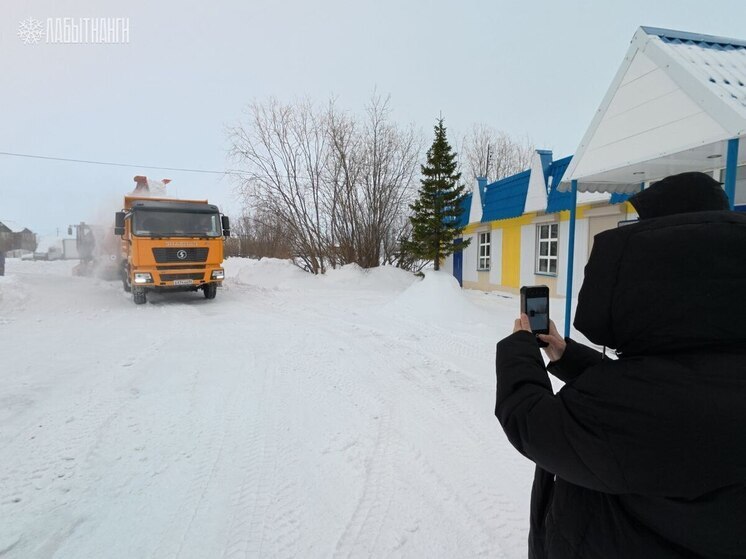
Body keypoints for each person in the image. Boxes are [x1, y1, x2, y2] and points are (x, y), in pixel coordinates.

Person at [495, 172, 746, 558]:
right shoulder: (718, 361)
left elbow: (532, 423)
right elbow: (656, 380)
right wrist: (568, 355)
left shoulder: (640, 405)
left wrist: (519, 349)